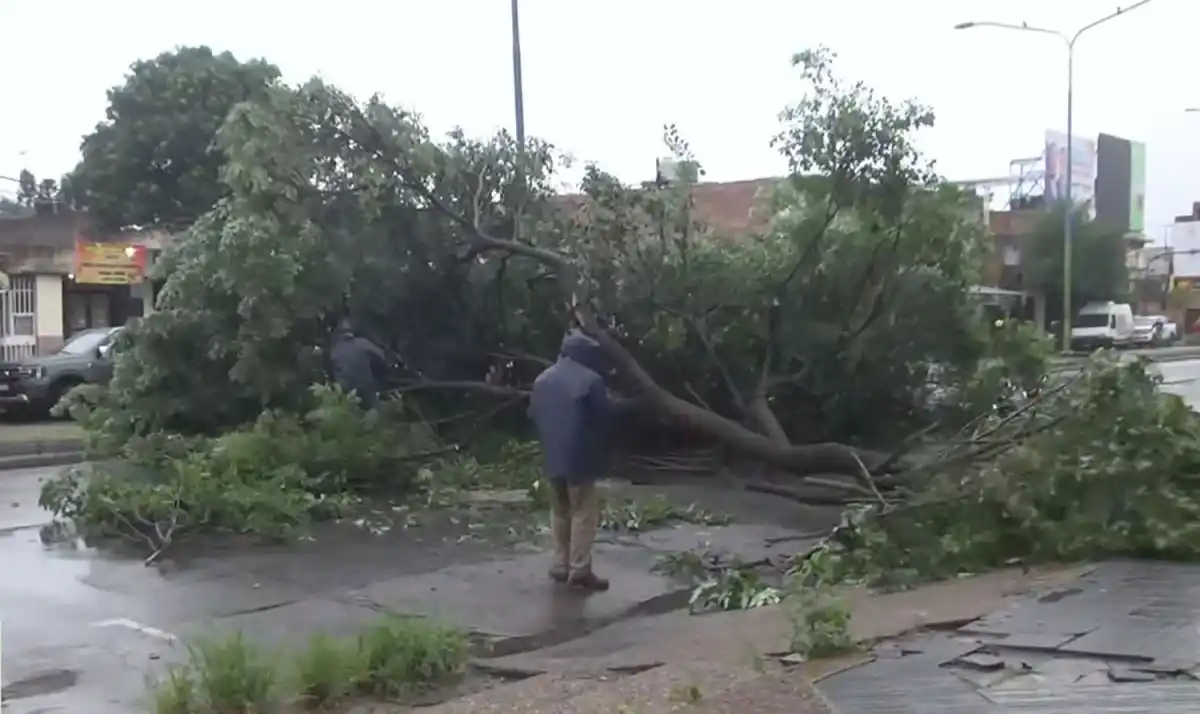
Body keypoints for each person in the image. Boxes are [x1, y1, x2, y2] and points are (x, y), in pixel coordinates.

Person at [529, 329, 618, 591]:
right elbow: (604, 419)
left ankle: (560, 564)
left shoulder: (542, 379)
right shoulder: (592, 380)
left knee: (559, 508)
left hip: (552, 454)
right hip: (581, 456)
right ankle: (580, 569)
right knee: (583, 511)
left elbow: (533, 414)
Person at [329, 319, 387, 410]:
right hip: (365, 383)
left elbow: (334, 366)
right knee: (374, 405)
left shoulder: (336, 349)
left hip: (345, 386)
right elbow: (382, 356)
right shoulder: (362, 343)